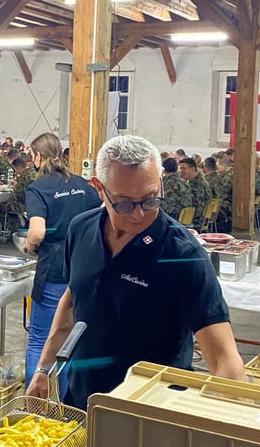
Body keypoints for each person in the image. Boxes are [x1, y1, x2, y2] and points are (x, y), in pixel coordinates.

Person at [25, 135, 245, 409]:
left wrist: (231, 415)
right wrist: (44, 369)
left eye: (150, 200)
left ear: (160, 184)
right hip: (84, 401)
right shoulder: (81, 229)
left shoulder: (182, 254)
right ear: (99, 189)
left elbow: (224, 359)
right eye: (125, 203)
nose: (139, 214)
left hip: (150, 413)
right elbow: (72, 298)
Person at [21, 133, 102, 395]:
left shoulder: (37, 188)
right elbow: (102, 216)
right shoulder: (81, 184)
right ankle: (67, 401)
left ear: (37, 156)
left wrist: (29, 243)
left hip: (54, 271)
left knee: (39, 339)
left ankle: (33, 402)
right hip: (84, 268)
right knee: (71, 341)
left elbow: (37, 232)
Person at [178, 157, 211, 229]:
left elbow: (198, 209)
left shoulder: (197, 185)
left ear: (193, 169)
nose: (181, 171)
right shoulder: (198, 180)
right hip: (199, 220)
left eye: (184, 168)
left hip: (195, 222)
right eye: (180, 168)